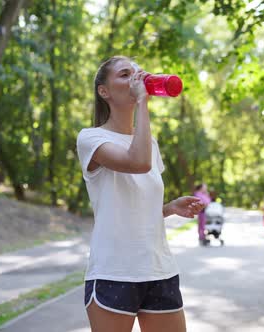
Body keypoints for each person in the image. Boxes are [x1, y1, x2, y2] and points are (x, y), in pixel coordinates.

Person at [76, 55, 206, 332]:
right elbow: (138, 163)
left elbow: (135, 207)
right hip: (114, 271)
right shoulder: (91, 138)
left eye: (138, 73)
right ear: (104, 91)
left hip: (159, 270)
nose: (136, 79)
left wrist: (169, 208)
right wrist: (143, 102)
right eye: (125, 74)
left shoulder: (149, 143)